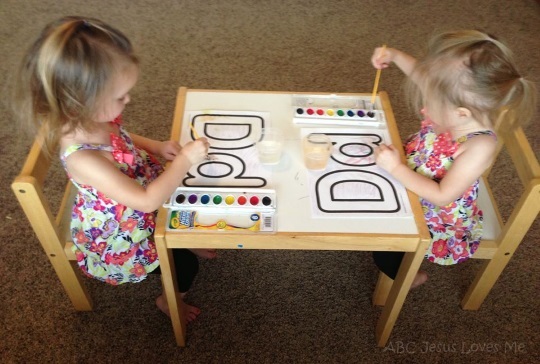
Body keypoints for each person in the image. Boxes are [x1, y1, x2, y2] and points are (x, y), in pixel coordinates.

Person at [12, 16, 214, 321]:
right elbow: (146, 201)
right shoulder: (84, 159)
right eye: (120, 97)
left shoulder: (87, 116)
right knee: (185, 266)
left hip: (132, 185)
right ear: (80, 102)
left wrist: (156, 146)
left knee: (184, 198)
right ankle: (168, 301)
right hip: (123, 224)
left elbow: (120, 137)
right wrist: (184, 161)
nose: (129, 99)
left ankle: (183, 235)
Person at [370, 30, 536, 288]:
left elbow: (442, 195)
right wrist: (393, 54)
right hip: (409, 173)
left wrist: (396, 168)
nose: (425, 102)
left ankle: (410, 277)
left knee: (385, 243)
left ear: (461, 113)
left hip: (437, 212)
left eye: (430, 100)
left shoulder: (479, 146)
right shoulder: (454, 101)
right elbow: (421, 74)